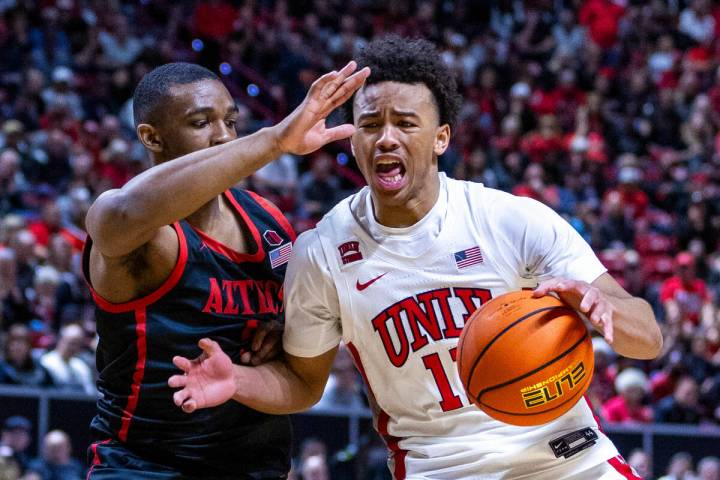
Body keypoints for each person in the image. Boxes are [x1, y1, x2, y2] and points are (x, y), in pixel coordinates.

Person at [168, 37, 662, 479]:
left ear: (441, 138)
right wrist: (239, 381)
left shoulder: (510, 219)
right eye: (370, 124)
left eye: (406, 124)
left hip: (567, 455)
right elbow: (303, 383)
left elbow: (649, 338)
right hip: (439, 466)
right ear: (354, 139)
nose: (387, 138)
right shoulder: (321, 252)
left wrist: (602, 307)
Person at [83, 61, 369, 479]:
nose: (223, 135)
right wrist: (275, 140)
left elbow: (302, 384)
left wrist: (279, 338)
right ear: (152, 137)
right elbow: (123, 211)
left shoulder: (267, 223)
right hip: (146, 467)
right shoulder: (142, 231)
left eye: (231, 121)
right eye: (201, 122)